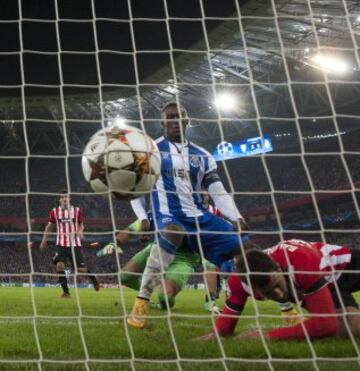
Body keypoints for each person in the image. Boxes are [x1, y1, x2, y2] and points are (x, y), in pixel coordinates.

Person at [127, 101, 250, 329]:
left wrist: (236, 216)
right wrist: (143, 217)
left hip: (200, 218)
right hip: (168, 216)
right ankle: (141, 303)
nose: (175, 121)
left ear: (187, 120)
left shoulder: (202, 155)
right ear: (163, 122)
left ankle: (286, 306)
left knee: (246, 248)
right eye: (170, 117)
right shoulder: (150, 151)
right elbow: (135, 189)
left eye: (180, 116)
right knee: (173, 232)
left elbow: (217, 191)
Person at [196, 239, 360, 341]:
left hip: (347, 266)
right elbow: (226, 326)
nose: (280, 295)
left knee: (334, 328)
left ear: (278, 268)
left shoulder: (300, 260)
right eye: (268, 293)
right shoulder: (237, 283)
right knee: (351, 330)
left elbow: (326, 324)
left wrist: (269, 336)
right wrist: (217, 334)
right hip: (327, 287)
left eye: (277, 285)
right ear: (251, 289)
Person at [100, 198, 222, 313]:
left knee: (165, 298)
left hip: (183, 259)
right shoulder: (163, 210)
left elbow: (210, 262)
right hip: (157, 248)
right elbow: (132, 229)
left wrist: (210, 300)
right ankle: (151, 291)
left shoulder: (202, 218)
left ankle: (161, 297)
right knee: (124, 276)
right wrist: (114, 243)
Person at [40, 190, 99, 297]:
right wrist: (44, 240)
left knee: (80, 270)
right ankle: (66, 292)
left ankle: (93, 278)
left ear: (69, 199)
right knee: (59, 266)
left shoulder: (77, 211)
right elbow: (49, 227)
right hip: (61, 244)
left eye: (66, 197)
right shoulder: (54, 211)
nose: (64, 199)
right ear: (60, 199)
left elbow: (81, 225)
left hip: (75, 244)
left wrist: (80, 231)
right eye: (62, 197)